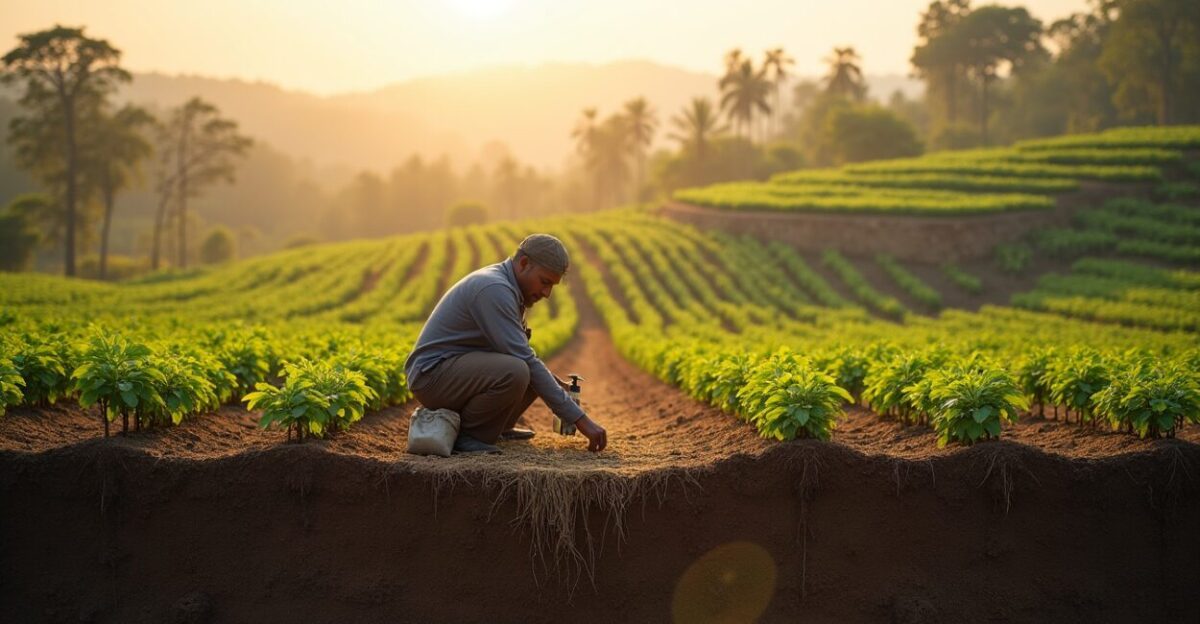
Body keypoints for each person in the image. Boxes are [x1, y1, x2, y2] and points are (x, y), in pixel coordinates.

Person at [403, 233, 608, 454]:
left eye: (552, 286)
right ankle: (469, 436)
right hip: (432, 376)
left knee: (530, 371)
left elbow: (522, 353)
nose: (547, 293)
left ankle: (500, 427)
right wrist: (581, 421)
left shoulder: (509, 287)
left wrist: (556, 385)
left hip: (452, 371)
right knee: (517, 369)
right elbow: (524, 360)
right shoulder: (494, 289)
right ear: (523, 263)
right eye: (545, 282)